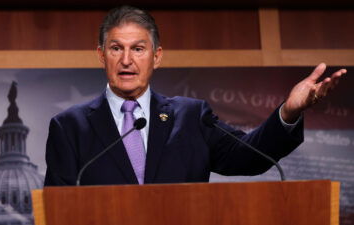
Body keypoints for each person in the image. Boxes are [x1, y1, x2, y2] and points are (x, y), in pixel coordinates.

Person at [44, 6, 346, 186]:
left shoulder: (191, 117)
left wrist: (289, 112)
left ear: (156, 56)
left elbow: (250, 156)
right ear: (101, 55)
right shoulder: (69, 127)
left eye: (138, 49)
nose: (126, 60)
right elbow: (58, 210)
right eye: (116, 48)